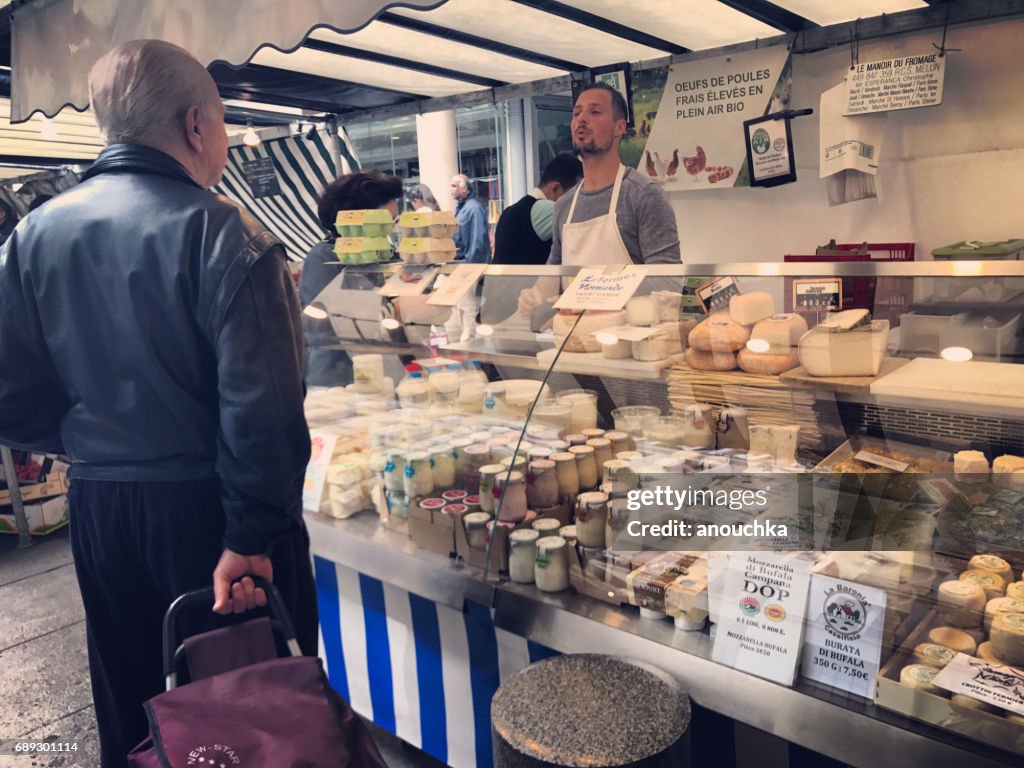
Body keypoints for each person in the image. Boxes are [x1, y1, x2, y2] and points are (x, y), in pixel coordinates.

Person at [0, 40, 317, 767]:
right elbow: (262, 410)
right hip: (210, 515)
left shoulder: (30, 236)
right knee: (251, 707)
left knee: (132, 690)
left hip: (102, 506)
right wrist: (252, 534)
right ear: (198, 125)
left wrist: (92, 442)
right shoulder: (226, 233)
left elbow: (7, 396)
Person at [518, 82, 680, 319]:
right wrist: (535, 297)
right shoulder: (564, 205)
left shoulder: (643, 195)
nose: (581, 119)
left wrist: (597, 298)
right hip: (574, 344)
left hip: (626, 344)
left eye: (594, 112)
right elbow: (555, 272)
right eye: (576, 113)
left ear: (619, 127)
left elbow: (668, 281)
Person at [300, 170, 403, 386]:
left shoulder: (383, 252)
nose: (391, 230)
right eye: (385, 222)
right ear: (354, 217)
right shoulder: (325, 257)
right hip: (337, 378)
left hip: (383, 371)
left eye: (393, 222)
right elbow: (332, 322)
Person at [492, 154, 583, 265]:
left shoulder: (510, 211)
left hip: (500, 281)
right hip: (529, 282)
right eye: (574, 194)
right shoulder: (547, 209)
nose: (575, 200)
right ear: (555, 188)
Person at [450, 173, 490, 263]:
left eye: (454, 186)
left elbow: (477, 242)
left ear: (464, 189)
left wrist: (470, 266)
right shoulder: (462, 208)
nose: (451, 189)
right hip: (462, 263)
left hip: (470, 266)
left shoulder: (473, 209)